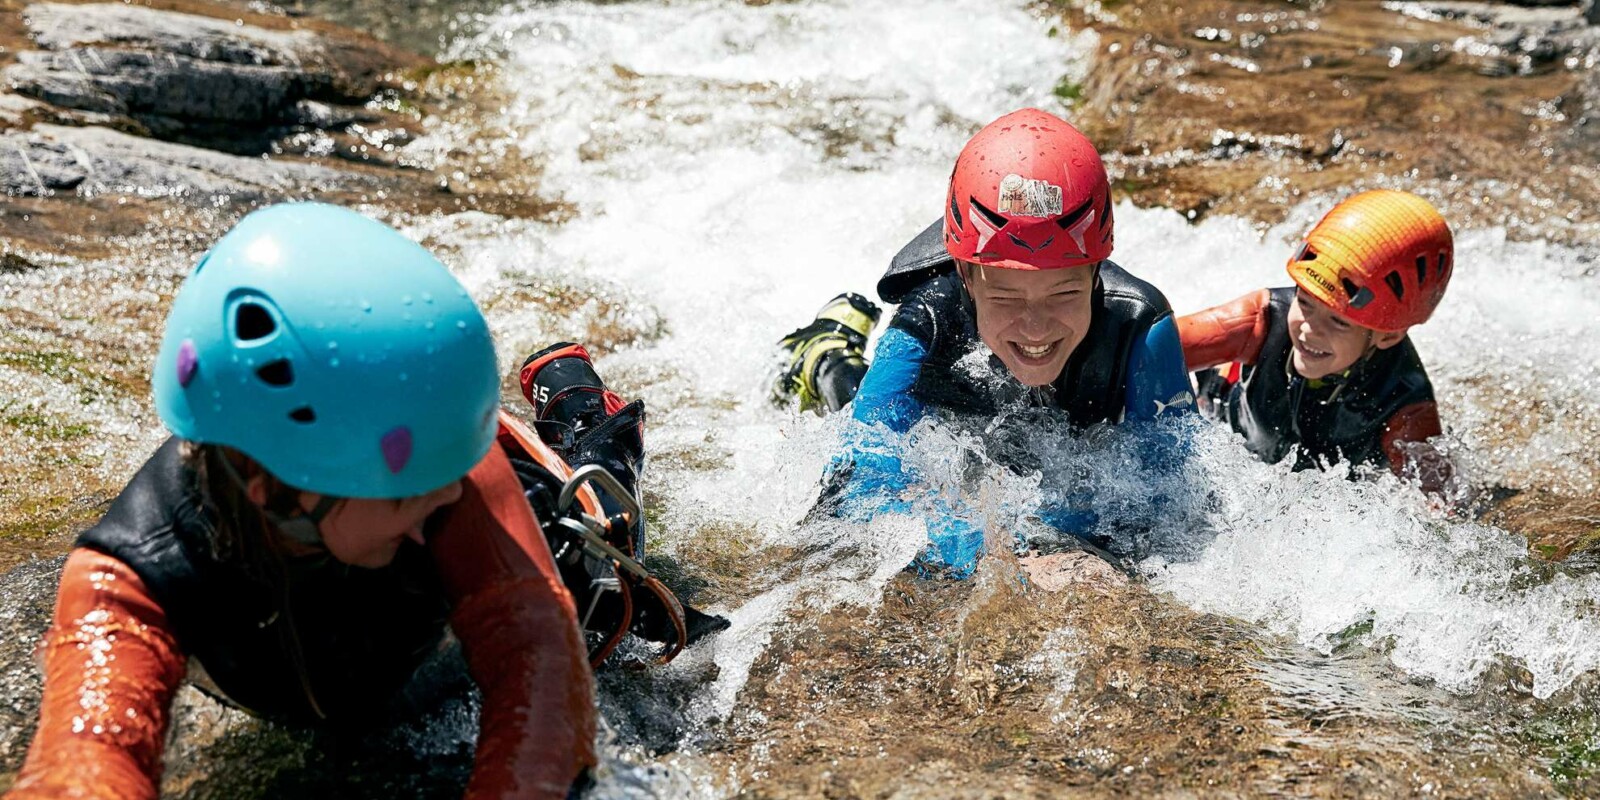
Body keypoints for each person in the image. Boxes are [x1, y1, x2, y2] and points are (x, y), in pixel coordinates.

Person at [5, 203, 688, 800]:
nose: (449, 493)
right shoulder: (129, 580)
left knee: (602, 514)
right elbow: (85, 764)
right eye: (412, 488)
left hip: (524, 498)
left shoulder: (456, 484)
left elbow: (537, 684)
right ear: (277, 488)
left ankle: (576, 399)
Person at [775, 108, 1196, 576]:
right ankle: (825, 352)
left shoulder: (1141, 322)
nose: (1035, 329)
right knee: (853, 405)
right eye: (1006, 296)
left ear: (1095, 273)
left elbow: (1177, 503)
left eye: (1064, 293)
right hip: (939, 420)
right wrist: (1007, 550)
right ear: (967, 279)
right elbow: (858, 497)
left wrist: (1087, 552)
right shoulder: (929, 320)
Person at [1176, 189, 1454, 493]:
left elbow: (1438, 512)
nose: (1309, 330)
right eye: (1306, 302)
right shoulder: (1262, 321)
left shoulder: (1404, 403)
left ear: (1387, 335)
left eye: (1338, 321)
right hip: (1221, 420)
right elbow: (1144, 347)